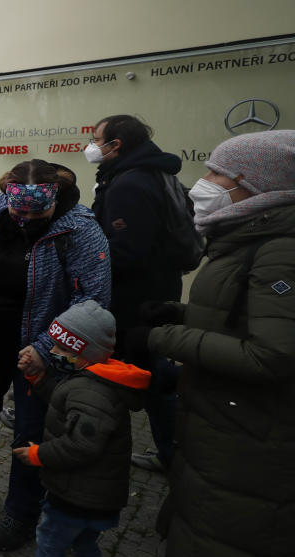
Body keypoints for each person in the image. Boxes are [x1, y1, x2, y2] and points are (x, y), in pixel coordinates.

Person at [124, 130, 295, 557]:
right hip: (231, 428)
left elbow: (273, 354)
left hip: (254, 443)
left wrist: (162, 336)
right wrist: (181, 311)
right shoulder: (250, 237)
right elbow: (244, 318)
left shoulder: (279, 251)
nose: (204, 182)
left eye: (218, 173)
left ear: (254, 184)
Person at [0, 159, 111, 552]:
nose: (26, 219)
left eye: (37, 212)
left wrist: (46, 348)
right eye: (19, 211)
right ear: (7, 194)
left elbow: (93, 300)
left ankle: (22, 511)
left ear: (54, 199)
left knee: (30, 430)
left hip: (40, 349)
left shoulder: (80, 229)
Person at [0, 300, 150, 557]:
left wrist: (38, 455)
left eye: (62, 346)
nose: (56, 350)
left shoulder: (93, 390)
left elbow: (81, 445)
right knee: (85, 545)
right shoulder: (91, 379)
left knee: (50, 540)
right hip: (97, 496)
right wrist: (37, 376)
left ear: (82, 351)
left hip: (77, 494)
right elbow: (67, 399)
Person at [86, 114, 183, 473]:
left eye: (97, 139)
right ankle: (171, 451)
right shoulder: (151, 172)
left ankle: (170, 454)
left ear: (116, 145)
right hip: (156, 290)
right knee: (153, 372)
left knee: (148, 376)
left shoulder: (130, 184)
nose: (92, 146)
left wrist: (87, 260)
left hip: (136, 298)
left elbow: (126, 252)